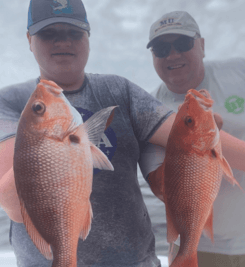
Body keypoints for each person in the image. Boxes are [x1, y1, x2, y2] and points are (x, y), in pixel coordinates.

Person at [0, 1, 177, 266]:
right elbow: (14, 209)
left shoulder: (119, 90)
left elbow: (188, 136)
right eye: (49, 33)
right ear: (29, 39)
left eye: (74, 33)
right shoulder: (10, 101)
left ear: (89, 38)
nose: (63, 42)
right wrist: (41, 144)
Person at [140, 11, 245, 267]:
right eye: (162, 49)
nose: (173, 54)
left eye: (183, 44)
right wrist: (188, 149)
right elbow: (158, 186)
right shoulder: (149, 109)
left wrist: (211, 140)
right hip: (197, 246)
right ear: (153, 57)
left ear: (202, 45)